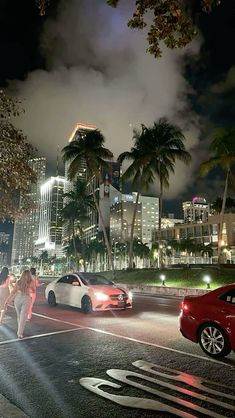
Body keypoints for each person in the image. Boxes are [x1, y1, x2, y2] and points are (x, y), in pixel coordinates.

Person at [4, 270, 36, 339]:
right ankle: (20, 333)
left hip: (18, 299)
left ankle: (20, 331)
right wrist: (29, 289)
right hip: (26, 299)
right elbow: (33, 290)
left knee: (19, 316)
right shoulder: (31, 282)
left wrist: (7, 300)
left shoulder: (18, 282)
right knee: (23, 316)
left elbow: (13, 292)